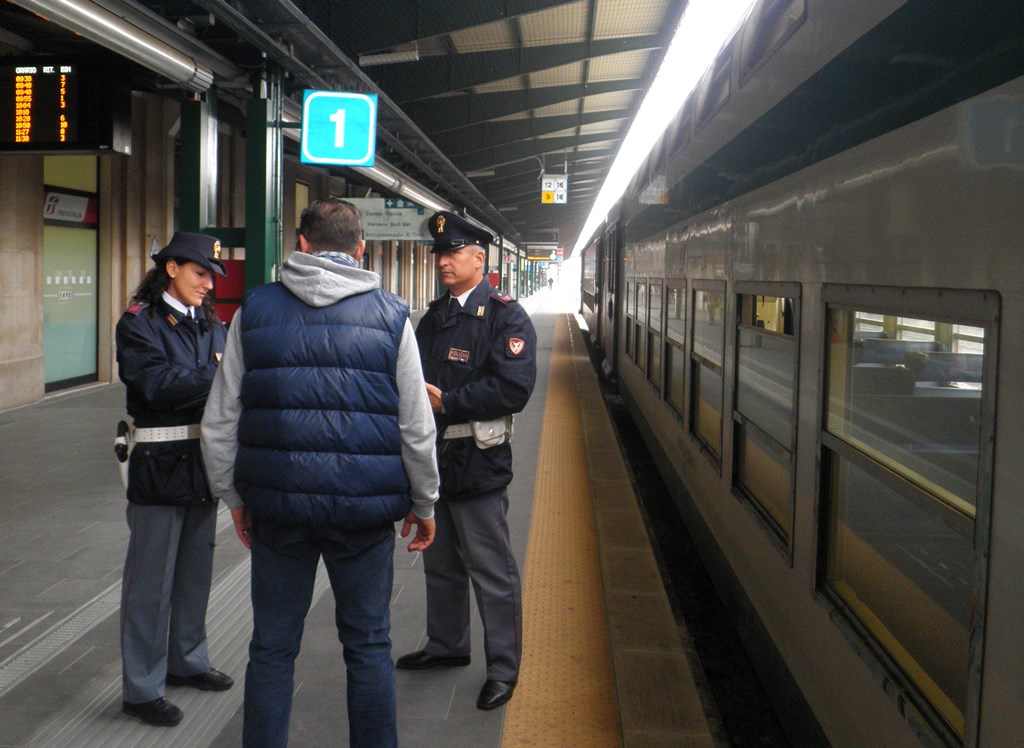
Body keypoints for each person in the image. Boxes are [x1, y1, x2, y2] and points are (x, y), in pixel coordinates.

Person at [200, 198, 439, 748]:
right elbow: (416, 425)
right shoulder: (392, 314)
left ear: (302, 244)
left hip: (279, 509)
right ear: (361, 248)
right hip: (364, 512)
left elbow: (220, 419)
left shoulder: (255, 310)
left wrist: (232, 496)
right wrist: (425, 502)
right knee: (369, 645)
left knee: (272, 647)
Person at [396, 210, 537, 710]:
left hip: (478, 460)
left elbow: (514, 388)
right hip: (434, 461)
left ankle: (503, 669)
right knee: (441, 564)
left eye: (453, 252)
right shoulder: (434, 317)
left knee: (491, 572)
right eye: (439, 253)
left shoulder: (506, 317)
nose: (443, 261)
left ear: (480, 259)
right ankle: (447, 645)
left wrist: (449, 402)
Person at [115, 231, 234, 727]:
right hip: (159, 463)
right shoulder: (138, 323)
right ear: (171, 268)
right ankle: (142, 689)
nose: (208, 284)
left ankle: (187, 660)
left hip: (202, 462)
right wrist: (224, 377)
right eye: (200, 273)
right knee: (150, 582)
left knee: (193, 573)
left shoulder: (210, 323)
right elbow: (156, 385)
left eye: (211, 276)